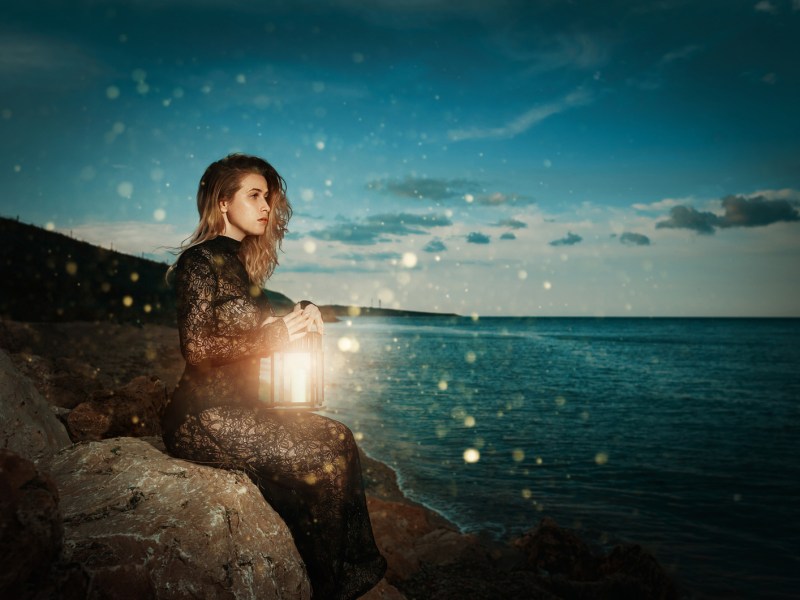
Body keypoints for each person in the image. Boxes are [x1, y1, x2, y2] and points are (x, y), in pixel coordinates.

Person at [161, 153, 386, 599]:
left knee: (340, 437)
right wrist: (279, 331)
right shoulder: (199, 263)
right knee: (322, 462)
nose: (267, 206)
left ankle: (343, 575)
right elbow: (199, 348)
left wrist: (301, 312)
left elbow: (251, 331)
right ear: (223, 203)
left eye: (269, 198)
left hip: (242, 407)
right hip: (202, 415)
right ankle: (326, 586)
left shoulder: (241, 267)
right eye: (255, 195)